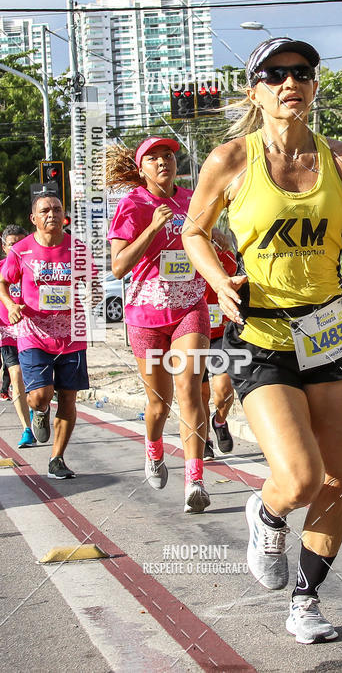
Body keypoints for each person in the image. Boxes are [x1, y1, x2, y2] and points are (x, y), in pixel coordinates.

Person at [183, 37, 342, 643]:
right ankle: (268, 511)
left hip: (330, 332)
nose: (290, 83)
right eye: (275, 74)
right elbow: (193, 233)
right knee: (301, 477)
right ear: (254, 90)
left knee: (335, 481)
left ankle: (306, 601)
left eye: (302, 72)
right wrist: (218, 280)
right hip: (261, 334)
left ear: (313, 84)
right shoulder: (230, 159)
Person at [106, 136, 211, 513]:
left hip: (189, 306)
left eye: (167, 155)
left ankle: (194, 479)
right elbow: (119, 267)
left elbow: (206, 241)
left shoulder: (193, 199)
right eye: (153, 157)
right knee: (159, 403)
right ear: (141, 169)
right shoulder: (132, 205)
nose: (163, 161)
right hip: (146, 315)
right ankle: (153, 449)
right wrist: (151, 229)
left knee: (190, 390)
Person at [0, 194, 90, 478]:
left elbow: (93, 282)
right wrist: (11, 304)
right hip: (34, 333)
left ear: (64, 215)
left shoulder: (77, 248)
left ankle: (57, 459)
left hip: (71, 335)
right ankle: (39, 412)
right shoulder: (21, 250)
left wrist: (90, 298)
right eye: (45, 210)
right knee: (40, 395)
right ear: (34, 218)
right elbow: (2, 281)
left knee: (68, 398)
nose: (52, 214)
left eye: (57, 209)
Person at [202, 228, 237, 459]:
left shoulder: (222, 248)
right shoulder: (181, 247)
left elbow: (235, 276)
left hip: (220, 332)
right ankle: (203, 438)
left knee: (223, 389)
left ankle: (220, 420)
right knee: (198, 393)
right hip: (190, 329)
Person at [0, 225, 35, 447]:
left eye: (21, 243)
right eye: (12, 244)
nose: (16, 248)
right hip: (8, 331)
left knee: (37, 383)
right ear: (4, 247)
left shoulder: (36, 265)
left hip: (34, 330)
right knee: (16, 374)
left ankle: (37, 409)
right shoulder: (1, 269)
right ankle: (26, 429)